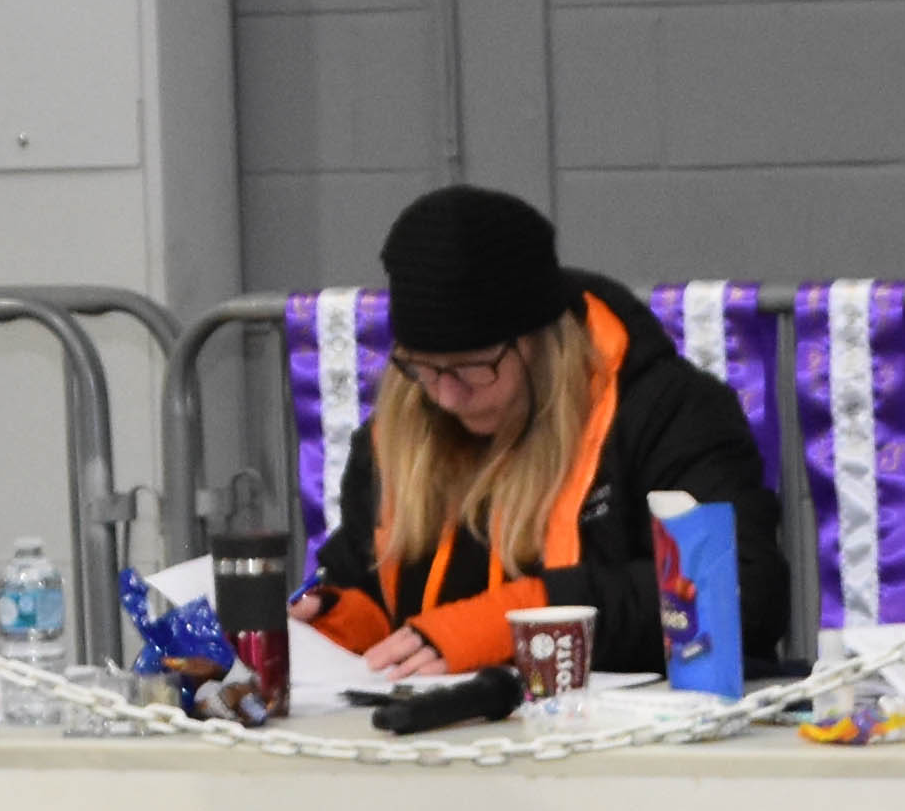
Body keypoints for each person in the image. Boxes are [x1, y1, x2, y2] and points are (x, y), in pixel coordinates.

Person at [303, 187, 791, 682]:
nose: (446, 397)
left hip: (627, 720)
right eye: (423, 368)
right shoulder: (405, 422)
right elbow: (366, 580)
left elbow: (742, 591)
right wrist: (333, 621)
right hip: (442, 717)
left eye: (473, 367)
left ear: (539, 342)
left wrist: (529, 620)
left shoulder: (667, 412)